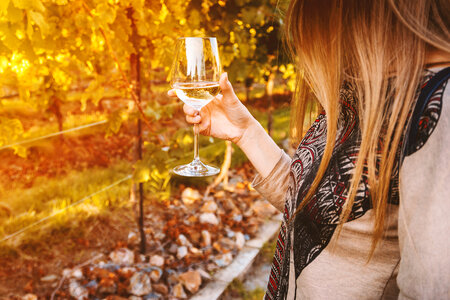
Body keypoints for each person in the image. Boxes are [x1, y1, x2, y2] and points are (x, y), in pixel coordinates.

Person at [169, 0, 450, 299]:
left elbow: (431, 290)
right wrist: (245, 132)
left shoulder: (435, 108)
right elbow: (318, 208)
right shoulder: (368, 89)